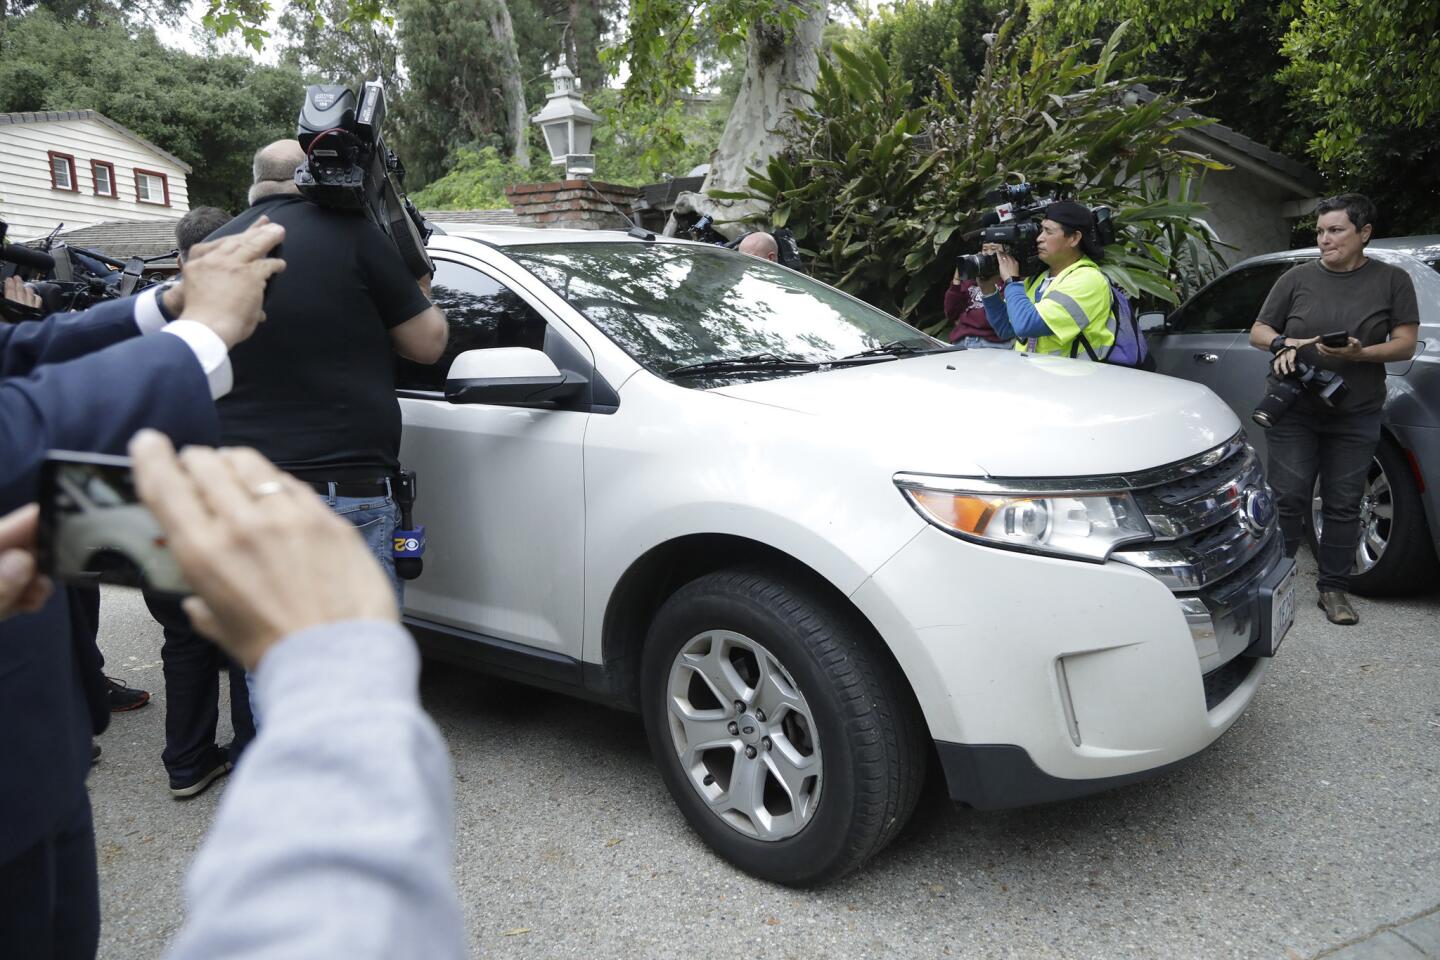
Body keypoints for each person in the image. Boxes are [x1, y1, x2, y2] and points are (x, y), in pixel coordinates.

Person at [0, 221, 286, 960]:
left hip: (40, 736)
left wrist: (160, 306)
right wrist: (201, 333)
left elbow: (13, 357)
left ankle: (185, 758)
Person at [126, 430, 464, 960]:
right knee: (241, 645)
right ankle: (242, 754)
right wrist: (335, 663)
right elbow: (342, 917)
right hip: (320, 483)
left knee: (192, 637)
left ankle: (200, 760)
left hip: (216, 488)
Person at [207, 139, 447, 591]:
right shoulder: (354, 236)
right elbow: (427, 344)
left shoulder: (214, 248)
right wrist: (418, 276)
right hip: (341, 493)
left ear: (254, 184)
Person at [1248, 194, 1419, 625]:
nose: (1325, 239)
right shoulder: (1296, 278)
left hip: (1356, 410)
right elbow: (1259, 331)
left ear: (1363, 234)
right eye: (1321, 231)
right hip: (1294, 407)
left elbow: (1404, 344)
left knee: (1343, 502)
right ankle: (1276, 584)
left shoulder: (1393, 280)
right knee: (1288, 495)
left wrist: (1361, 355)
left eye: (1336, 230)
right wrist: (1284, 344)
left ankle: (1334, 590)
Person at [143, 203, 257, 802]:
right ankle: (245, 751)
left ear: (180, 256)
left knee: (184, 637)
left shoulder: (143, 320)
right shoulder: (252, 316)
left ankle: (186, 763)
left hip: (164, 500)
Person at [979, 201, 1114, 358]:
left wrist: (1011, 282)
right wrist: (988, 290)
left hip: (1073, 379)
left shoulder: (1088, 280)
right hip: (1036, 377)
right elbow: (1006, 329)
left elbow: (1027, 324)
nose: (1039, 238)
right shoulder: (1040, 279)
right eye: (1041, 230)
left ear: (1074, 238)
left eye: (1049, 232)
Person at [944, 269, 1012, 349]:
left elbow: (992, 320)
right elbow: (951, 312)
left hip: (993, 344)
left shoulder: (1007, 283)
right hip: (962, 340)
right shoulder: (970, 282)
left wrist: (966, 318)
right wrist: (956, 280)